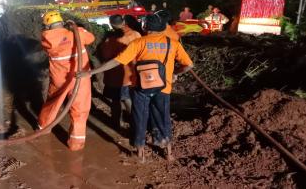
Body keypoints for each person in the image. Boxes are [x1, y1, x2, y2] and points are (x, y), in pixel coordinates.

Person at [77, 14, 194, 162]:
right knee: (163, 118)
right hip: (163, 88)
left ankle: (141, 155)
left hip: (140, 88)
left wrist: (90, 72)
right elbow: (189, 65)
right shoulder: (173, 43)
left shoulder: (138, 42)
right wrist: (174, 73)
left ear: (146, 27)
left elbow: (116, 61)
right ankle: (169, 153)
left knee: (139, 118)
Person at [38, 11, 95, 151]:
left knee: (53, 103)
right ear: (62, 22)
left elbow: (52, 43)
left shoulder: (47, 38)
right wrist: (77, 29)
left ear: (47, 26)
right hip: (80, 78)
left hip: (60, 78)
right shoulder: (78, 33)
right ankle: (76, 144)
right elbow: (91, 39)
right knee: (80, 110)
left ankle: (43, 128)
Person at [99, 15, 141, 131]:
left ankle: (117, 123)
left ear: (111, 24)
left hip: (115, 76)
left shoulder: (110, 39)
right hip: (132, 73)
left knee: (117, 100)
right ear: (123, 22)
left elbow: (105, 56)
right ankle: (137, 122)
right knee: (128, 98)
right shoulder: (136, 34)